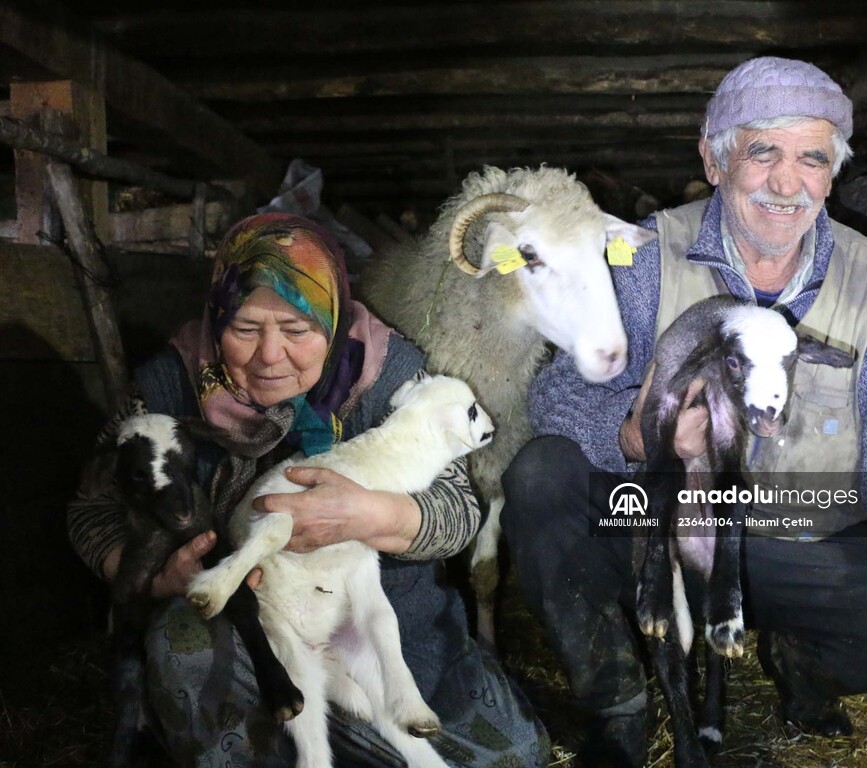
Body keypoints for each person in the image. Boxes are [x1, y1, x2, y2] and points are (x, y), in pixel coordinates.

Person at [502, 56, 867, 767]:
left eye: (811, 159)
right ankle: (618, 700)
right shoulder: (641, 257)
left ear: (832, 173)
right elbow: (555, 396)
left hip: (795, 535)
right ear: (715, 158)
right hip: (658, 521)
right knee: (541, 477)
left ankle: (797, 651)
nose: (787, 183)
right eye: (763, 153)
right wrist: (633, 436)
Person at [68, 213, 549, 768]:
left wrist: (373, 514)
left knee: (514, 755)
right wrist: (157, 575)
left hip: (383, 623)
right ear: (216, 315)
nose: (269, 355)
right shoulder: (166, 385)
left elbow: (461, 509)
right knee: (189, 656)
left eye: (297, 330)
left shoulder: (389, 372)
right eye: (244, 329)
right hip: (249, 634)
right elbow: (91, 510)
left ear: (333, 319)